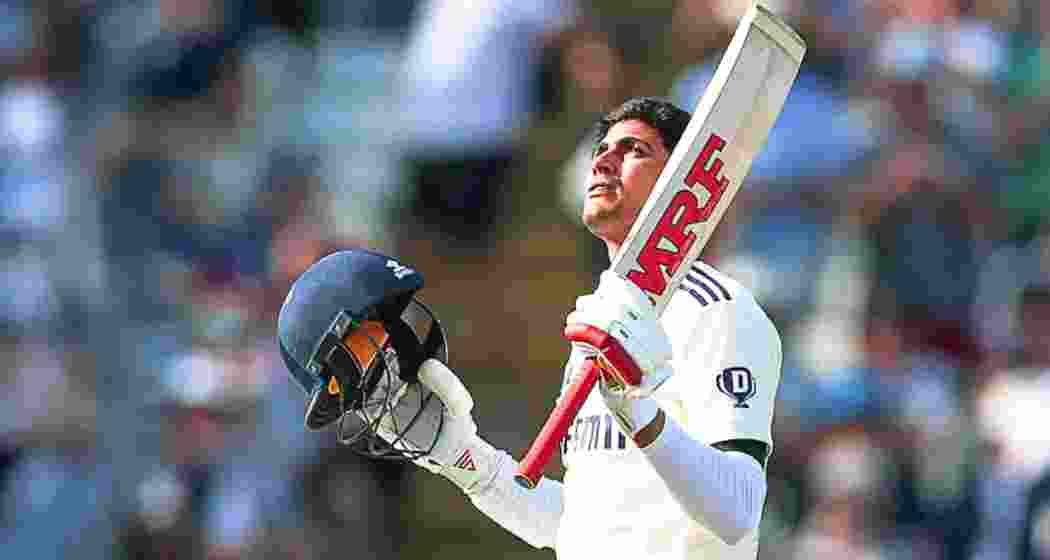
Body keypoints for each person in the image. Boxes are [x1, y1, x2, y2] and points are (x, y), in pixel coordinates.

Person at [277, 97, 782, 559]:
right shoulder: (598, 318)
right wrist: (463, 460)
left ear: (681, 181)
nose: (603, 160)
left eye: (633, 151)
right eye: (601, 149)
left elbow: (737, 511)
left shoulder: (717, 311)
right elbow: (578, 526)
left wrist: (636, 409)